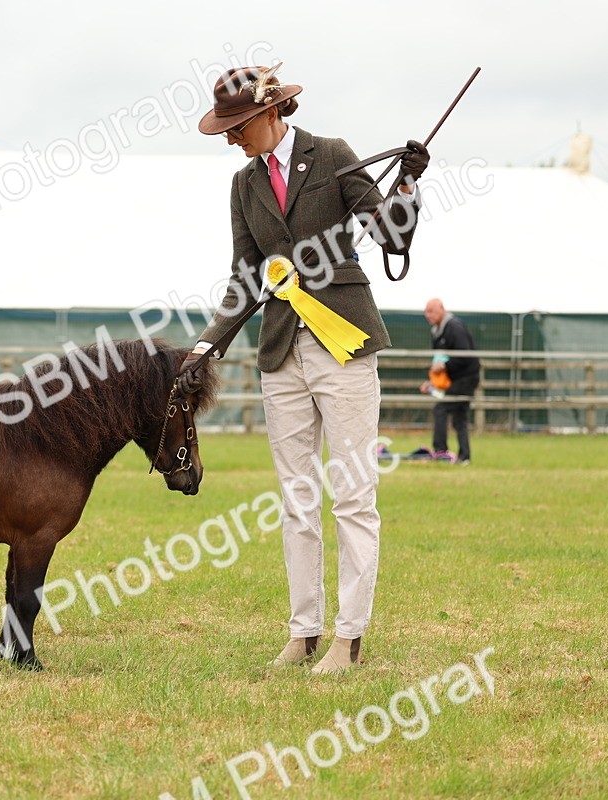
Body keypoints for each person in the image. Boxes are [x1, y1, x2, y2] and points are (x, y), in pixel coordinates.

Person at [177, 63, 428, 674]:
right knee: (296, 499)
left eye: (237, 127)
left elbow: (391, 237)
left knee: (351, 496)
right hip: (280, 353)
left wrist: (407, 189)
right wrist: (207, 347)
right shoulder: (243, 185)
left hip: (343, 341)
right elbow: (245, 278)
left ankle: (350, 636)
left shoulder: (334, 155)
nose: (231, 139)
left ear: (270, 114)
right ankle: (304, 631)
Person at [420, 298, 480, 465]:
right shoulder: (437, 332)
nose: (427, 315)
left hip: (466, 378)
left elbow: (464, 355)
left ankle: (440, 452)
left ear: (442, 309)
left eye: (431, 311)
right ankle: (464, 457)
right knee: (460, 417)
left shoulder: (454, 327)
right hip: (454, 379)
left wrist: (444, 366)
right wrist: (432, 382)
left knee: (441, 408)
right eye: (426, 311)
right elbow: (440, 363)